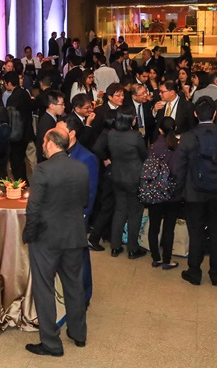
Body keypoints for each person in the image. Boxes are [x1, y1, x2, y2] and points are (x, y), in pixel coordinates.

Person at [23, 128, 87, 357]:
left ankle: (51, 343)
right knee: (74, 285)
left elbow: (33, 209)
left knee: (44, 288)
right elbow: (85, 200)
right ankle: (79, 334)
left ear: (50, 143)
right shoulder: (81, 167)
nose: (42, 144)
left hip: (46, 238)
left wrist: (29, 234)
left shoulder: (42, 169)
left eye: (43, 141)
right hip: (74, 235)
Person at [174, 97, 217, 287]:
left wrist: (180, 191)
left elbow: (179, 168)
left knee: (196, 232)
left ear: (195, 114)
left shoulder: (187, 137)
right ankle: (216, 274)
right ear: (214, 114)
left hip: (194, 193)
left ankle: (194, 272)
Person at [59, 116, 98, 305]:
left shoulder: (87, 157)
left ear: (72, 134)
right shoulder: (56, 152)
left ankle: (84, 295)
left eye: (59, 130)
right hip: (58, 215)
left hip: (76, 216)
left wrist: (82, 216)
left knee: (79, 257)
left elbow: (90, 191)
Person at [107, 105, 148, 259]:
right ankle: (132, 248)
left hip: (117, 176)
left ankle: (115, 246)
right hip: (134, 178)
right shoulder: (135, 136)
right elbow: (144, 155)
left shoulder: (111, 134)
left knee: (119, 210)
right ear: (131, 119)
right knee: (135, 213)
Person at [145, 116, 183, 270]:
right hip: (173, 193)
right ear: (175, 128)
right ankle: (167, 259)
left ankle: (156, 258)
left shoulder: (153, 147)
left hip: (156, 191)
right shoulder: (178, 147)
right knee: (169, 227)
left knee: (154, 226)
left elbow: (149, 170)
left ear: (160, 130)